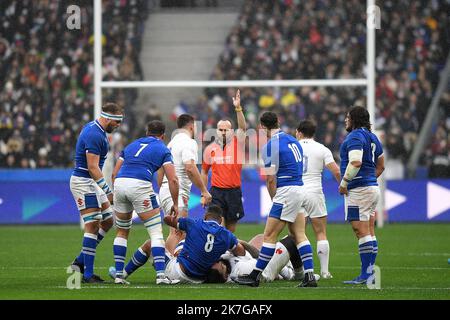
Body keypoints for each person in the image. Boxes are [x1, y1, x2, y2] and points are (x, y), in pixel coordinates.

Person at [232, 111, 317, 287]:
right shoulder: (294, 141)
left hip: (286, 192)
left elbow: (270, 179)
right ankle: (309, 276)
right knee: (298, 234)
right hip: (300, 188)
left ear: (262, 127)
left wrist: (275, 199)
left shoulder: (270, 147)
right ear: (278, 122)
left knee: (269, 235)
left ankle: (254, 276)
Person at [111, 120, 180, 285]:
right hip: (140, 185)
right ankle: (161, 276)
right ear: (162, 136)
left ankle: (119, 275)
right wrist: (175, 204)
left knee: (121, 232)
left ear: (147, 132)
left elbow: (114, 173)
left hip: (120, 183)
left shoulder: (131, 145)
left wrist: (117, 192)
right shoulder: (163, 149)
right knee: (156, 233)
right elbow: (173, 180)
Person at [69, 102, 123, 283]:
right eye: (117, 122)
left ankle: (79, 261)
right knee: (92, 225)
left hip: (92, 183)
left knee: (108, 220)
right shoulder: (94, 134)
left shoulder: (96, 130)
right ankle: (87, 274)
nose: (118, 126)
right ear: (108, 118)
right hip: (84, 182)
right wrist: (108, 190)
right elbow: (92, 167)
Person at [338, 106, 385, 284]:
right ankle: (369, 274)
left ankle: (367, 275)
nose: (345, 120)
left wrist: (344, 183)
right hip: (371, 188)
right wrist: (370, 179)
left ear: (354, 119)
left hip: (359, 191)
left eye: (347, 117)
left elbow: (355, 162)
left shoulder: (356, 136)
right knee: (369, 231)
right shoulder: (373, 137)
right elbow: (381, 165)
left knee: (361, 231)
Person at [158, 114, 212, 251]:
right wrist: (204, 190)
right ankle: (167, 266)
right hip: (177, 191)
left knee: (178, 232)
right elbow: (190, 168)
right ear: (192, 127)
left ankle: (167, 263)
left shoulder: (170, 143)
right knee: (178, 232)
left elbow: (160, 170)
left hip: (167, 189)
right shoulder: (189, 142)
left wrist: (163, 186)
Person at [296, 120, 341, 279]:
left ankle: (302, 270)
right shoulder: (322, 149)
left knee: (298, 234)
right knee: (320, 233)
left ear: (299, 132)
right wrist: (343, 186)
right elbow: (336, 171)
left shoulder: (293, 147)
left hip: (296, 192)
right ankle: (324, 271)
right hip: (315, 192)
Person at [162, 205, 245, 283]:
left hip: (178, 272)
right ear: (220, 220)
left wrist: (179, 223)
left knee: (150, 244)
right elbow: (241, 252)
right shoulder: (227, 235)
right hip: (200, 279)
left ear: (205, 216)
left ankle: (160, 276)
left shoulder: (194, 224)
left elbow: (166, 219)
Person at [201, 89, 247, 232]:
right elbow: (203, 172)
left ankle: (229, 253)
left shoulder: (237, 143)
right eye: (220, 129)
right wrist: (204, 193)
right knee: (216, 227)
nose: (223, 132)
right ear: (216, 131)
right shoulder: (209, 149)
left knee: (231, 228)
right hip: (216, 193)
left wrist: (238, 108)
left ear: (231, 131)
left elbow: (243, 127)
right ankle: (219, 253)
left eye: (225, 130)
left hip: (233, 191)